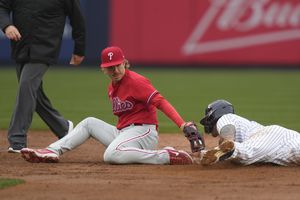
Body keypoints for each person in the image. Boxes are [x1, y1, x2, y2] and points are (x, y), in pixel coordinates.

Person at [20, 46, 205, 165]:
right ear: (103, 69)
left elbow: (161, 102)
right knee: (89, 122)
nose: (115, 70)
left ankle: (166, 156)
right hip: (124, 132)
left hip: (144, 132)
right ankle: (52, 151)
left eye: (118, 65)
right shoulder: (112, 86)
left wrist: (182, 124)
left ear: (125, 63)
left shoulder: (136, 81)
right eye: (110, 67)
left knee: (111, 155)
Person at [0, 0, 85, 153]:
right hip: (21, 46)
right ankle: (64, 128)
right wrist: (7, 25)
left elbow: (77, 19)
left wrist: (79, 49)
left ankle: (17, 140)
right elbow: (2, 7)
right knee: (33, 93)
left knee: (26, 86)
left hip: (45, 47)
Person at [199, 99, 300, 166]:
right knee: (296, 152)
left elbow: (227, 129)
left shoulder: (226, 118)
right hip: (284, 142)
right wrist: (194, 156)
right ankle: (231, 149)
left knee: (245, 154)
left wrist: (227, 141)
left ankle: (233, 148)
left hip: (271, 136)